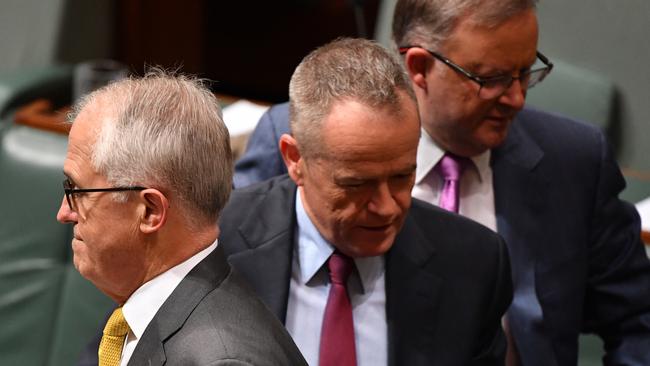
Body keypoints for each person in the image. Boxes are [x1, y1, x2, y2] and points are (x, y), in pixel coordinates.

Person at [233, 1, 650, 365]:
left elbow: (638, 318)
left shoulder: (573, 160)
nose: (518, 97)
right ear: (419, 66)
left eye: (526, 72)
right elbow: (235, 259)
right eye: (491, 78)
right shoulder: (307, 132)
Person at [221, 37, 512, 365]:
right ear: (295, 159)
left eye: (402, 177)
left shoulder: (473, 267)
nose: (387, 207)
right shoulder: (214, 244)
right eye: (356, 183)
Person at [57, 71, 306, 366]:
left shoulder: (223, 360)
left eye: (76, 190)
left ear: (150, 211)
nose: (64, 213)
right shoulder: (146, 314)